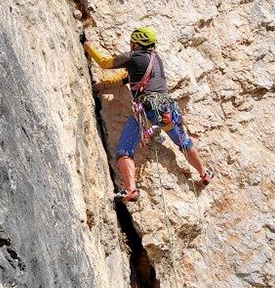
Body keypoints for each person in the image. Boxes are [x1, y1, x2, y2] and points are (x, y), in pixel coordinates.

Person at [83, 26, 213, 202]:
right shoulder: (156, 59)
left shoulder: (133, 57)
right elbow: (127, 79)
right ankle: (204, 173)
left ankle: (131, 191)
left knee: (124, 151)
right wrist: (104, 86)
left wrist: (88, 45)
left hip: (147, 109)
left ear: (136, 43)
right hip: (167, 109)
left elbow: (104, 63)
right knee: (183, 143)